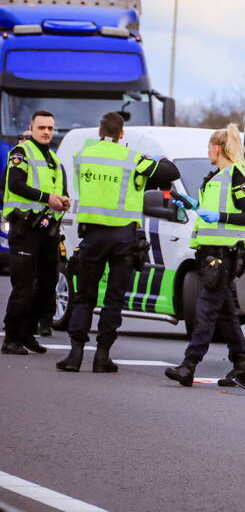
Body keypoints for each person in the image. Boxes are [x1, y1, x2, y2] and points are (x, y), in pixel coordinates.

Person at [56, 112, 179, 372]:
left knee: (84, 297)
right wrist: (159, 161)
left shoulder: (83, 156)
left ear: (100, 132)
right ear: (121, 133)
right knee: (113, 299)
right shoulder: (133, 159)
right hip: (123, 239)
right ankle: (102, 357)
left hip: (92, 236)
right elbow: (171, 172)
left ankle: (75, 355)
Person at [165, 123, 245, 387]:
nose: (207, 150)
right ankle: (242, 367)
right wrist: (193, 205)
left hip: (224, 256)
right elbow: (210, 211)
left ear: (217, 148)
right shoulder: (216, 177)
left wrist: (218, 216)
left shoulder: (237, 176)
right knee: (226, 314)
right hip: (212, 254)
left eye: (209, 146)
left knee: (206, 309)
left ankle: (189, 364)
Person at [2, 111, 70, 355]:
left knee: (48, 283)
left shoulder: (53, 158)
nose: (46, 132)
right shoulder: (21, 153)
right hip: (24, 228)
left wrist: (62, 201)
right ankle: (11, 338)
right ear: (31, 128)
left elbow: (57, 189)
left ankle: (27, 332)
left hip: (47, 229)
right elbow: (15, 185)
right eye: (41, 127)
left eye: (50, 128)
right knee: (24, 286)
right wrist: (46, 198)